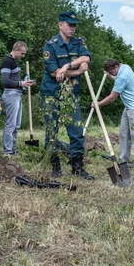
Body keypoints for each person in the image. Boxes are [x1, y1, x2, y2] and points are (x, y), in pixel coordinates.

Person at [40, 10, 93, 180]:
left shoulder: (78, 43)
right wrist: (77, 70)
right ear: (60, 25)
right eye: (69, 25)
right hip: (52, 93)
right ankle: (55, 164)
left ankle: (77, 166)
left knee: (77, 131)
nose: (73, 28)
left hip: (71, 95)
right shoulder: (50, 46)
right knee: (52, 131)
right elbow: (56, 73)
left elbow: (87, 57)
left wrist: (68, 65)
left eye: (74, 25)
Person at [93, 59, 134, 170]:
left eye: (111, 71)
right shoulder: (125, 67)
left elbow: (112, 97)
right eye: (109, 71)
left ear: (116, 67)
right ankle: (125, 162)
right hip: (128, 108)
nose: (111, 73)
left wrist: (98, 104)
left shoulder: (123, 76)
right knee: (123, 135)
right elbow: (118, 79)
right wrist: (109, 75)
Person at [0, 41, 34, 155]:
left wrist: (25, 82)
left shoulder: (14, 62)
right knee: (11, 124)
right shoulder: (7, 61)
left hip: (17, 94)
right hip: (10, 95)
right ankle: (7, 150)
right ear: (16, 50)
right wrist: (20, 83)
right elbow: (5, 80)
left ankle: (13, 149)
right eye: (22, 53)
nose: (23, 56)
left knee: (17, 124)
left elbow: (14, 80)